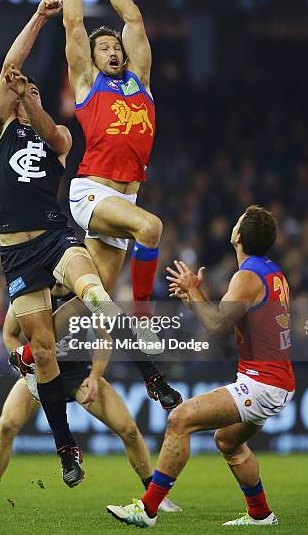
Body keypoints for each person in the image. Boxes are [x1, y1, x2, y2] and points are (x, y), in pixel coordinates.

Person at [0, 0, 167, 488]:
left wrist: (35, 102)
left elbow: (50, 128)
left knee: (97, 298)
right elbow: (9, 68)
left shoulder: (58, 138)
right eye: (21, 92)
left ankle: (151, 374)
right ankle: (66, 449)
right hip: (16, 254)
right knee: (42, 351)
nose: (24, 92)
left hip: (54, 238)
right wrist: (39, 20)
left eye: (33, 91)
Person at [107, 205, 295, 527]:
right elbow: (233, 324)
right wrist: (194, 298)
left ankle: (147, 510)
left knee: (180, 419)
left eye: (237, 222)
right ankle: (261, 515)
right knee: (227, 441)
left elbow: (217, 325)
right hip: (276, 380)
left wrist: (195, 292)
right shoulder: (271, 271)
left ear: (237, 236)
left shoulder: (247, 276)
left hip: (263, 383)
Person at [0, 304, 182, 515]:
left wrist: (95, 376)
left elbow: (104, 340)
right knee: (7, 426)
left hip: (79, 374)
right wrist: (27, 371)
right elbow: (9, 335)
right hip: (40, 373)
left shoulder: (79, 293)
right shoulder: (28, 295)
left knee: (128, 430)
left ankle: (156, 497)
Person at [56, 0, 162, 320]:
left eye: (115, 46)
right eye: (103, 48)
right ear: (92, 58)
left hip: (124, 202)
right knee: (151, 228)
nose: (113, 51)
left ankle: (30, 354)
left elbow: (133, 20)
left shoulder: (140, 82)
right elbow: (72, 24)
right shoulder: (87, 84)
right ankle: (144, 317)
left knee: (93, 299)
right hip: (91, 194)